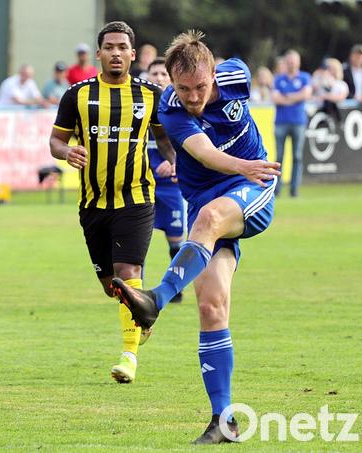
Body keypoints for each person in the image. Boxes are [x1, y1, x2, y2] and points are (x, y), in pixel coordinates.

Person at [109, 30, 281, 444]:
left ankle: (155, 300)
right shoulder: (170, 109)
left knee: (208, 216)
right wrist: (241, 165)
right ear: (171, 81)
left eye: (201, 86)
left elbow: (227, 157)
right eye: (183, 88)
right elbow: (204, 154)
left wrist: (248, 169)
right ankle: (224, 420)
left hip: (252, 188)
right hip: (215, 194)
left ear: (214, 75)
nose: (193, 96)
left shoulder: (235, 73)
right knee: (211, 306)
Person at [49, 21, 177, 385]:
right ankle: (142, 314)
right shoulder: (76, 95)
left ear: (133, 54)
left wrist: (173, 158)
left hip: (136, 198)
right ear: (99, 53)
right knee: (112, 286)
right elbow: (55, 142)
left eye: (123, 47)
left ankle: (129, 356)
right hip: (92, 204)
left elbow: (166, 138)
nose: (116, 53)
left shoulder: (151, 95)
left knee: (127, 273)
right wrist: (66, 151)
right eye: (110, 47)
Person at [145, 57, 187, 303]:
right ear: (147, 76)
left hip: (171, 186)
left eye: (163, 74)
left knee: (175, 239)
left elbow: (189, 145)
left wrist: (173, 163)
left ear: (170, 79)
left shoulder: (178, 109)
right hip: (143, 184)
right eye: (154, 74)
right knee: (138, 238)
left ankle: (175, 288)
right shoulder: (138, 106)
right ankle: (135, 290)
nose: (158, 78)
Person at [271, 49, 312, 198]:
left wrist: (287, 97)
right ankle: (276, 190)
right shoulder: (278, 79)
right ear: (286, 62)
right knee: (279, 157)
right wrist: (296, 97)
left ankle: (294, 190)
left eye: (294, 61)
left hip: (298, 122)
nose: (291, 63)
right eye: (289, 61)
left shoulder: (305, 77)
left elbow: (306, 94)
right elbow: (275, 98)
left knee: (297, 156)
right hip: (281, 122)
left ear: (298, 62)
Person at [314, 57, 349, 123]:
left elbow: (341, 97)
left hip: (335, 114)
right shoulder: (320, 80)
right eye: (327, 68)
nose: (329, 70)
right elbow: (313, 90)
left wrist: (325, 96)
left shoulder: (342, 84)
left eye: (331, 68)